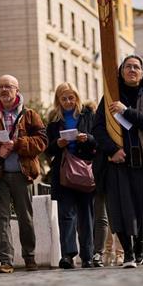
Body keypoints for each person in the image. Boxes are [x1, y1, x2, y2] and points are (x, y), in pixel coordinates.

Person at [92, 55, 143, 268]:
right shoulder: (109, 98)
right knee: (120, 208)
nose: (132, 70)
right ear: (121, 72)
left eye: (136, 67)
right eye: (128, 66)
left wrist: (125, 111)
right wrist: (112, 151)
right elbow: (98, 128)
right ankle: (129, 253)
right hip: (117, 162)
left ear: (142, 73)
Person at [0, 75, 48, 274]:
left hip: (22, 174)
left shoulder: (31, 115)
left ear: (17, 89)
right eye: (0, 87)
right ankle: (5, 261)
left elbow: (42, 142)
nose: (4, 90)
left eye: (8, 86)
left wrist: (18, 144)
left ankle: (29, 257)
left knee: (25, 217)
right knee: (1, 218)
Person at [45, 82, 97, 269]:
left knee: (86, 216)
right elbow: (47, 149)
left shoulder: (88, 114)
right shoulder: (53, 120)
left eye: (71, 97)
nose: (68, 101)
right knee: (66, 215)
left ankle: (88, 256)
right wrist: (58, 144)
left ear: (77, 97)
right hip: (63, 172)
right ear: (58, 100)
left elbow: (97, 140)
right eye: (63, 98)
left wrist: (87, 138)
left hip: (85, 170)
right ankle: (67, 255)